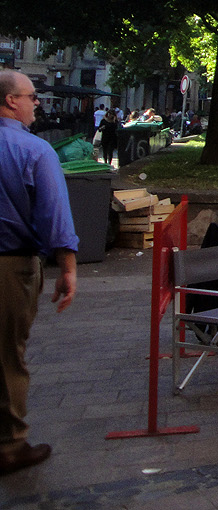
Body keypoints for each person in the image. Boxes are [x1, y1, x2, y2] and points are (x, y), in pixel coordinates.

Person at [0, 71, 76, 474]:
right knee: (8, 356)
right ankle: (11, 444)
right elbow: (54, 216)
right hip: (11, 266)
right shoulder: (33, 150)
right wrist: (68, 267)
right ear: (11, 100)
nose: (37, 104)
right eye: (32, 97)